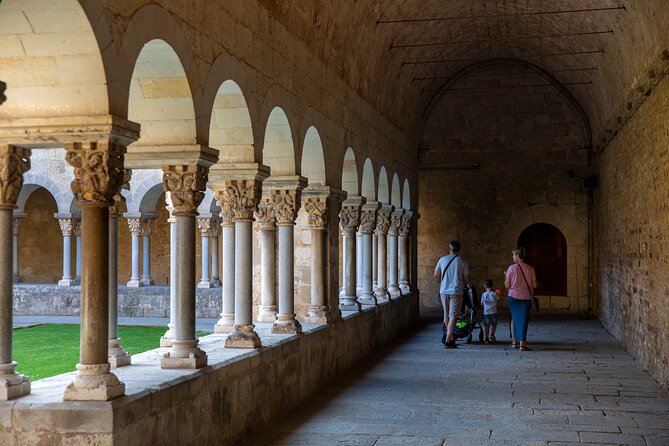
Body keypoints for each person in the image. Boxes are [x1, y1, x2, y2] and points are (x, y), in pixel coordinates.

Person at [434, 240, 470, 348]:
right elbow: (466, 279)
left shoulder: (442, 259)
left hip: (443, 291)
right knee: (453, 316)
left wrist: (442, 284)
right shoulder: (462, 261)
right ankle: (448, 339)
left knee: (446, 314)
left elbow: (436, 275)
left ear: (449, 249)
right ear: (459, 249)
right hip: (456, 291)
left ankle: (449, 336)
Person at [504, 247, 537, 351]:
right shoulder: (531, 268)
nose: (513, 257)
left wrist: (506, 276)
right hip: (526, 297)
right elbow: (535, 285)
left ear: (518, 256)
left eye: (514, 255)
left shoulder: (511, 268)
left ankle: (514, 342)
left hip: (513, 297)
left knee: (514, 318)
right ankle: (522, 344)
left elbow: (507, 285)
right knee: (523, 320)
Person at [480, 279, 500, 344]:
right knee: (494, 324)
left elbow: (482, 303)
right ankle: (492, 334)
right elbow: (498, 299)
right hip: (494, 312)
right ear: (492, 285)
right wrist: (498, 293)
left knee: (487, 326)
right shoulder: (494, 294)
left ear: (485, 286)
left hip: (486, 313)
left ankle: (486, 338)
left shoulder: (483, 294)